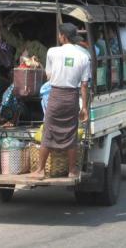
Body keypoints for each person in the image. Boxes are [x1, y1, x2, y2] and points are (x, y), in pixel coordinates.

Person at [30, 23, 91, 180]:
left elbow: (49, 76)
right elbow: (84, 85)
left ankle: (41, 170)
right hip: (71, 98)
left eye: (59, 34)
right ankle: (72, 170)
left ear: (63, 37)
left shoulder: (52, 52)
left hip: (56, 96)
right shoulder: (84, 56)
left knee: (48, 132)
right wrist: (84, 107)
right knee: (71, 134)